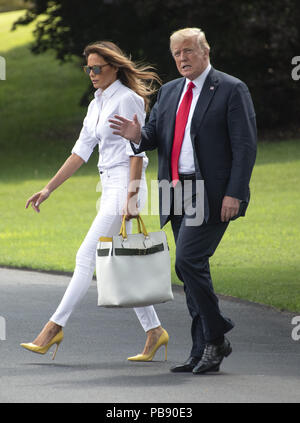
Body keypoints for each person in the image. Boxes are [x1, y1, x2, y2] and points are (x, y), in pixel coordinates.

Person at [109, 27, 257, 374]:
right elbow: (153, 135)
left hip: (213, 192)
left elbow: (245, 147)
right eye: (176, 53)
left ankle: (216, 335)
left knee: (188, 262)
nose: (182, 58)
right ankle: (202, 349)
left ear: (206, 51)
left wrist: (235, 192)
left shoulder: (232, 89)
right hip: (175, 190)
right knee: (192, 272)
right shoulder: (171, 91)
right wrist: (136, 136)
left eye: (188, 51)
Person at [20, 41, 169, 362]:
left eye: (97, 68)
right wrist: (48, 189)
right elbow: (80, 153)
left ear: (114, 67)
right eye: (88, 68)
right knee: (120, 261)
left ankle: (53, 327)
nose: (91, 73)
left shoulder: (128, 98)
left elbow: (137, 153)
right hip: (108, 185)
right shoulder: (96, 103)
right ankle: (155, 331)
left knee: (86, 256)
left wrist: (131, 199)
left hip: (125, 186)